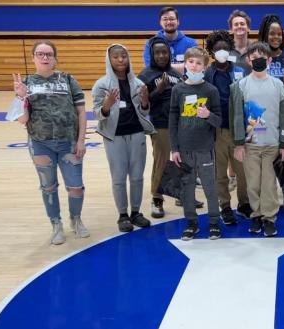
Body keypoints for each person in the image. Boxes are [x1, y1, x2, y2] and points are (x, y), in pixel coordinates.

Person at [12, 40, 89, 245]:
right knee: (48, 187)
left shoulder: (68, 79)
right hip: (40, 143)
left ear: (55, 58)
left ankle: (76, 219)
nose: (45, 57)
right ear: (33, 58)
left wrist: (81, 140)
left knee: (76, 186)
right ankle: (56, 224)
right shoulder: (26, 83)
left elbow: (81, 112)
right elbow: (22, 120)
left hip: (69, 142)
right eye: (40, 54)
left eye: (48, 54)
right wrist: (21, 98)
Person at [231, 42, 284, 237]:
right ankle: (256, 215)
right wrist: (239, 143)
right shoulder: (240, 86)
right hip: (250, 145)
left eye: (262, 57)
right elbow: (237, 117)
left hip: (272, 144)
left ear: (269, 60)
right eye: (253, 56)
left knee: (269, 183)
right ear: (248, 60)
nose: (257, 60)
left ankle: (269, 217)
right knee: (252, 183)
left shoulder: (279, 86)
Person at [92, 44, 154, 233]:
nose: (120, 60)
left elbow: (145, 111)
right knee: (118, 178)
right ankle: (123, 215)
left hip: (136, 133)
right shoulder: (101, 85)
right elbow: (97, 114)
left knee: (137, 177)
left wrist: (145, 102)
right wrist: (106, 105)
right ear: (109, 60)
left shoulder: (138, 83)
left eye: (124, 56)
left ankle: (136, 212)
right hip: (114, 137)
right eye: (116, 57)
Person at [169, 47, 222, 241]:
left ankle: (215, 222)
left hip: (205, 149)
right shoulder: (178, 89)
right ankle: (191, 222)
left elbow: (219, 121)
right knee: (187, 188)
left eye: (199, 63)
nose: (194, 65)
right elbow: (172, 120)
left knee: (209, 187)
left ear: (205, 67)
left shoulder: (211, 90)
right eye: (191, 61)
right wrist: (174, 148)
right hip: (184, 150)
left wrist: (208, 115)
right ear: (185, 63)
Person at [204, 30, 253, 224]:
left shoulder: (241, 69)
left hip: (239, 129)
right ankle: (225, 205)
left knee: (242, 171)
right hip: (217, 130)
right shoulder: (208, 74)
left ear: (230, 49)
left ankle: (244, 203)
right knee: (220, 173)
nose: (222, 51)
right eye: (218, 49)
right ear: (211, 52)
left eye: (225, 47)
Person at [257, 14, 284, 211]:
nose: (275, 37)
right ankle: (267, 194)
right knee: (264, 155)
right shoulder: (258, 57)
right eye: (271, 33)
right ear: (265, 35)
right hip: (262, 115)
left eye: (278, 34)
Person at [138, 37, 183, 218]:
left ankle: (181, 194)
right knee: (161, 161)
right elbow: (143, 103)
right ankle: (157, 198)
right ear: (152, 55)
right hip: (160, 124)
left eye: (164, 52)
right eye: (158, 52)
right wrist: (159, 90)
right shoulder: (145, 75)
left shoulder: (177, 74)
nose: (162, 55)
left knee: (182, 161)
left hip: (180, 124)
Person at [143, 7, 197, 73]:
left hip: (185, 82)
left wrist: (162, 66)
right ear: (160, 22)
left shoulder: (191, 43)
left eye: (172, 19)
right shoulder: (150, 43)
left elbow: (193, 67)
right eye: (165, 19)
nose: (168, 22)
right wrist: (181, 67)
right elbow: (151, 68)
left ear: (178, 21)